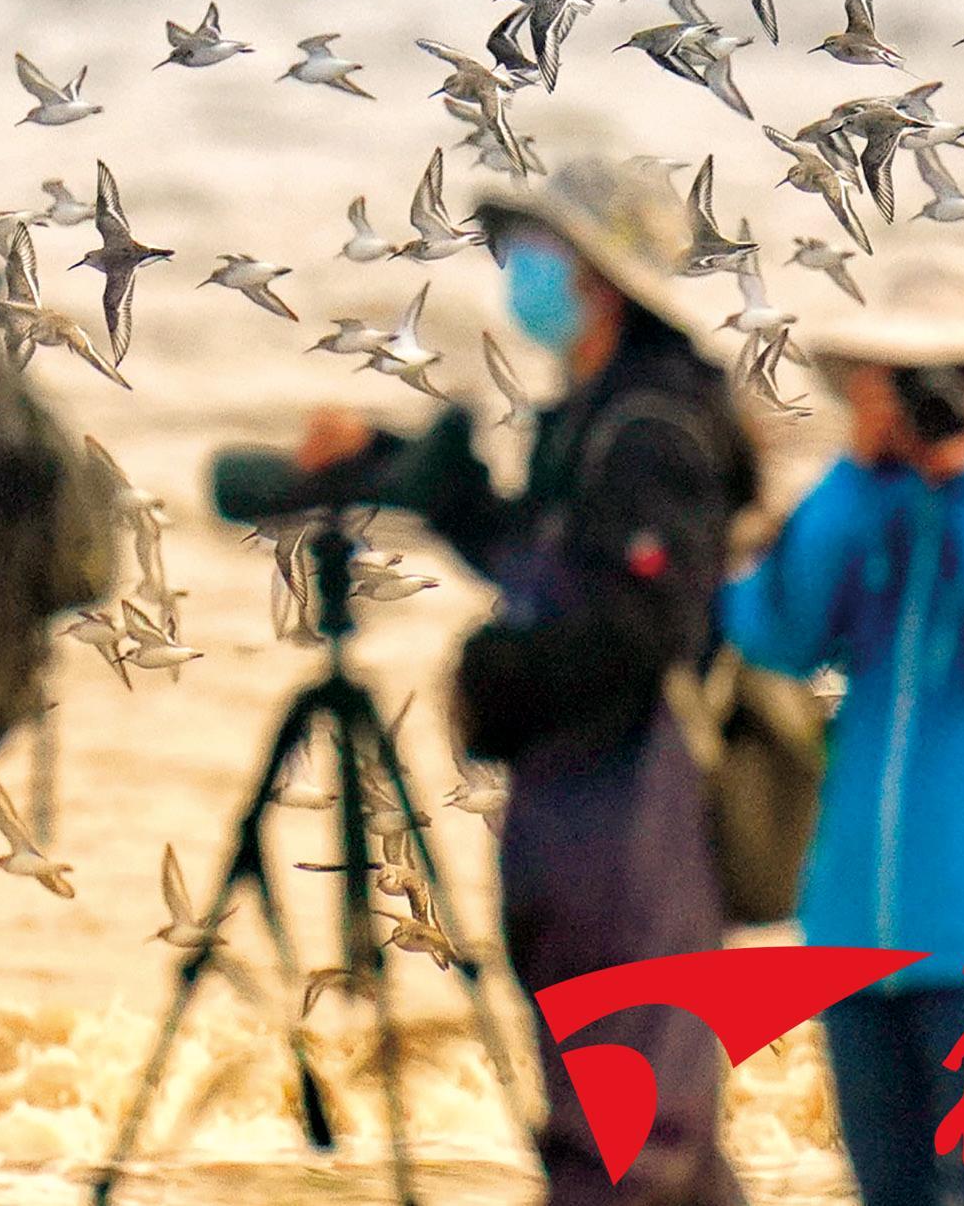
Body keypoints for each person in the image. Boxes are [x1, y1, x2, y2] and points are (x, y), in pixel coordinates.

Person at [292, 157, 763, 1206]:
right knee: (654, 1148)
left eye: (537, 256)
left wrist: (495, 678)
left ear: (597, 278)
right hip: (578, 816)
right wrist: (402, 469)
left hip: (634, 820)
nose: (518, 276)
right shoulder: (599, 415)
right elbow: (542, 562)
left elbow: (638, 627)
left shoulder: (649, 431)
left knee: (620, 1143)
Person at [720, 266, 964, 1206]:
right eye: (888, 380)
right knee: (888, 1188)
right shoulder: (864, 500)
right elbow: (778, 630)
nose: (906, 402)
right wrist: (855, 471)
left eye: (924, 381)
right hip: (856, 920)